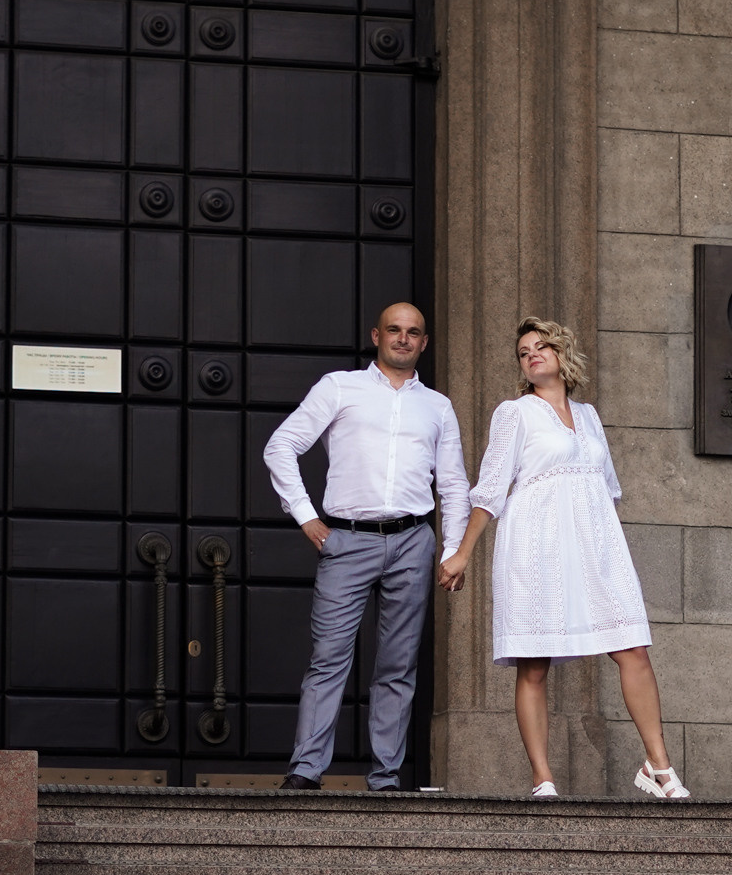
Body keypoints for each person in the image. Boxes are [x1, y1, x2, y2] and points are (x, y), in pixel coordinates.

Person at [439, 318, 687, 799]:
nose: (532, 354)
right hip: (536, 543)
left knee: (632, 647)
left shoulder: (589, 416)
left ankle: (659, 768)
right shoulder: (514, 413)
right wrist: (462, 553)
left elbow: (608, 489)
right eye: (523, 351)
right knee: (534, 663)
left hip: (595, 544)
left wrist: (604, 544)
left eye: (541, 346)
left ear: (561, 354)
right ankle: (542, 778)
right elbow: (491, 488)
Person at [263, 302, 468, 792]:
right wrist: (308, 519)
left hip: (413, 542)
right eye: (394, 330)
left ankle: (385, 777)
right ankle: (306, 771)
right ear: (376, 335)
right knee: (330, 656)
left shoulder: (436, 405)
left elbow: (455, 485)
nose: (403, 339)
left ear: (424, 342)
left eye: (413, 332)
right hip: (348, 540)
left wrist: (452, 550)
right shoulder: (340, 387)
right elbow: (281, 446)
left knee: (398, 664)